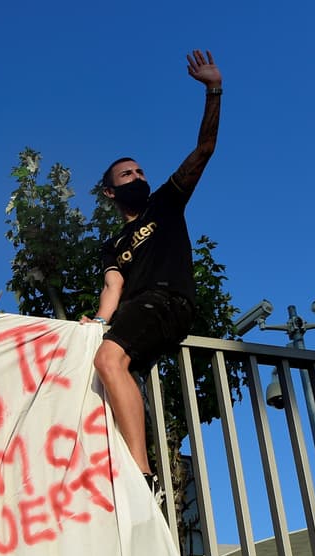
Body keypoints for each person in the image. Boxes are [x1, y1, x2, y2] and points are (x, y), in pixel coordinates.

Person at [80, 49, 223, 494]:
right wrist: (98, 322)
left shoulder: (164, 202)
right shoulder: (114, 244)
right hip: (136, 310)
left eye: (141, 170)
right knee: (100, 366)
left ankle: (141, 476)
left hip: (168, 300)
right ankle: (114, 462)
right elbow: (113, 285)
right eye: (127, 174)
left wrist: (213, 90)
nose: (138, 175)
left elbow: (204, 150)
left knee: (108, 358)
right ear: (110, 191)